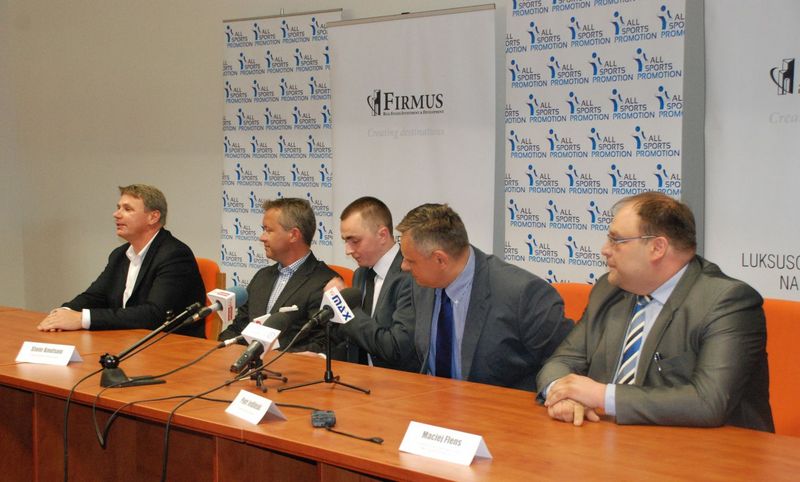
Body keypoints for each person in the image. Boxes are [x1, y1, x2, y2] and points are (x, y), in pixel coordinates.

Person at [537, 192, 774, 432]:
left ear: (657, 247)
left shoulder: (727, 302)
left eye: (616, 240)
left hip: (712, 449)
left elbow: (708, 402)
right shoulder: (608, 291)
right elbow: (561, 361)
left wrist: (601, 395)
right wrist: (563, 394)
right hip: (613, 440)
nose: (605, 250)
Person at [396, 203, 571, 390]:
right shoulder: (422, 283)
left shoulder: (523, 294)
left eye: (410, 261)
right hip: (430, 399)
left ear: (440, 259)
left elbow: (565, 361)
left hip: (496, 404)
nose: (403, 267)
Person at [37, 184, 206, 337]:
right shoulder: (120, 254)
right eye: (118, 208)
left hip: (173, 348)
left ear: (153, 217)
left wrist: (82, 319)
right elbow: (95, 296)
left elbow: (154, 315)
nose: (116, 214)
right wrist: (63, 313)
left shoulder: (175, 255)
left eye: (127, 209)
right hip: (127, 340)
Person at [218, 198, 337, 352]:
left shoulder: (325, 283)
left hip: (289, 365)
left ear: (293, 235)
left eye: (268, 230)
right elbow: (239, 328)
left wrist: (272, 357)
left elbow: (321, 345)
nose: (262, 237)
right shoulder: (262, 276)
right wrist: (219, 347)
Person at [326, 196, 419, 372]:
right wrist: (322, 357)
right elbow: (353, 340)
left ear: (382, 235)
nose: (348, 250)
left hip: (397, 382)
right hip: (358, 377)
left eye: (355, 241)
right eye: (345, 241)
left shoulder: (411, 275)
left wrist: (346, 309)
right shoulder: (361, 273)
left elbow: (396, 349)